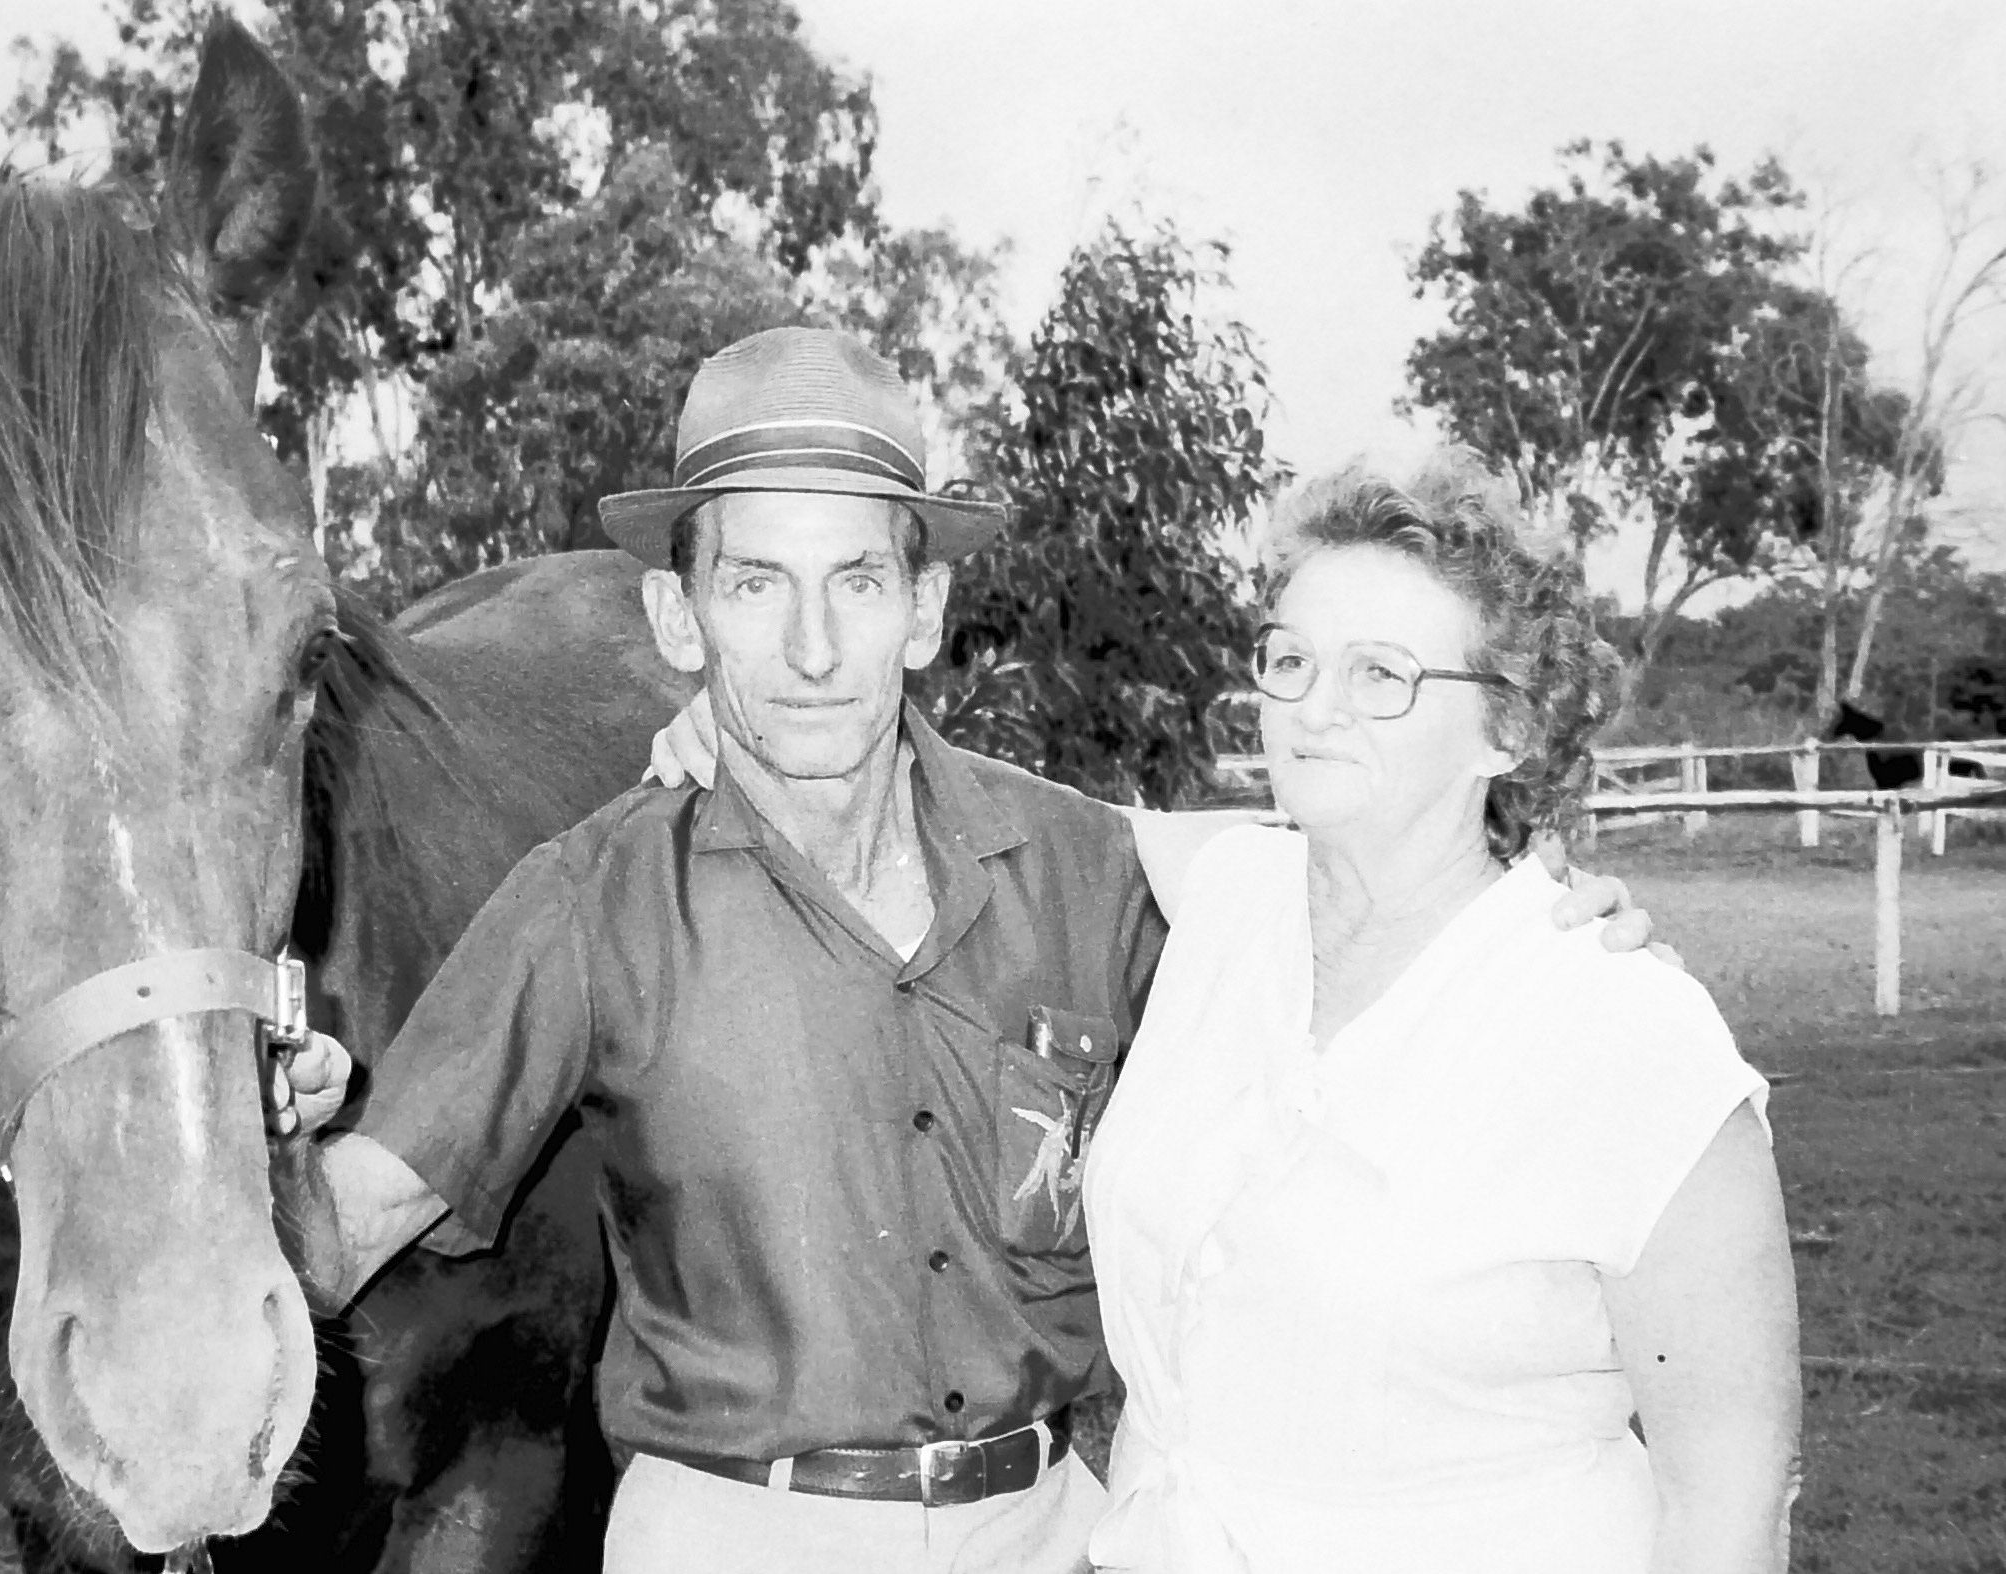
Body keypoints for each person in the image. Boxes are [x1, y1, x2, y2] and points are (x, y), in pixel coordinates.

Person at [275, 330, 1656, 1574]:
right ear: (675, 619)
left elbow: (1346, 910)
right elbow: (351, 1221)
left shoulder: (1078, 867)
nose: (811, 647)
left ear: (922, 609)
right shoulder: (587, 904)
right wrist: (200, 1129)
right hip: (732, 1538)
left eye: (856, 579)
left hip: (1051, 1527)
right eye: (755, 582)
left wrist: (1515, 913)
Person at [1081, 458, 1801, 1572]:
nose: (1314, 708)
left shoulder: (1624, 1031)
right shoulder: (1225, 896)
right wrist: (712, 752)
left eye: (1381, 675)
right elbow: (992, 812)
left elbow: (1729, 1503)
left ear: (1507, 729)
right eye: (1291, 658)